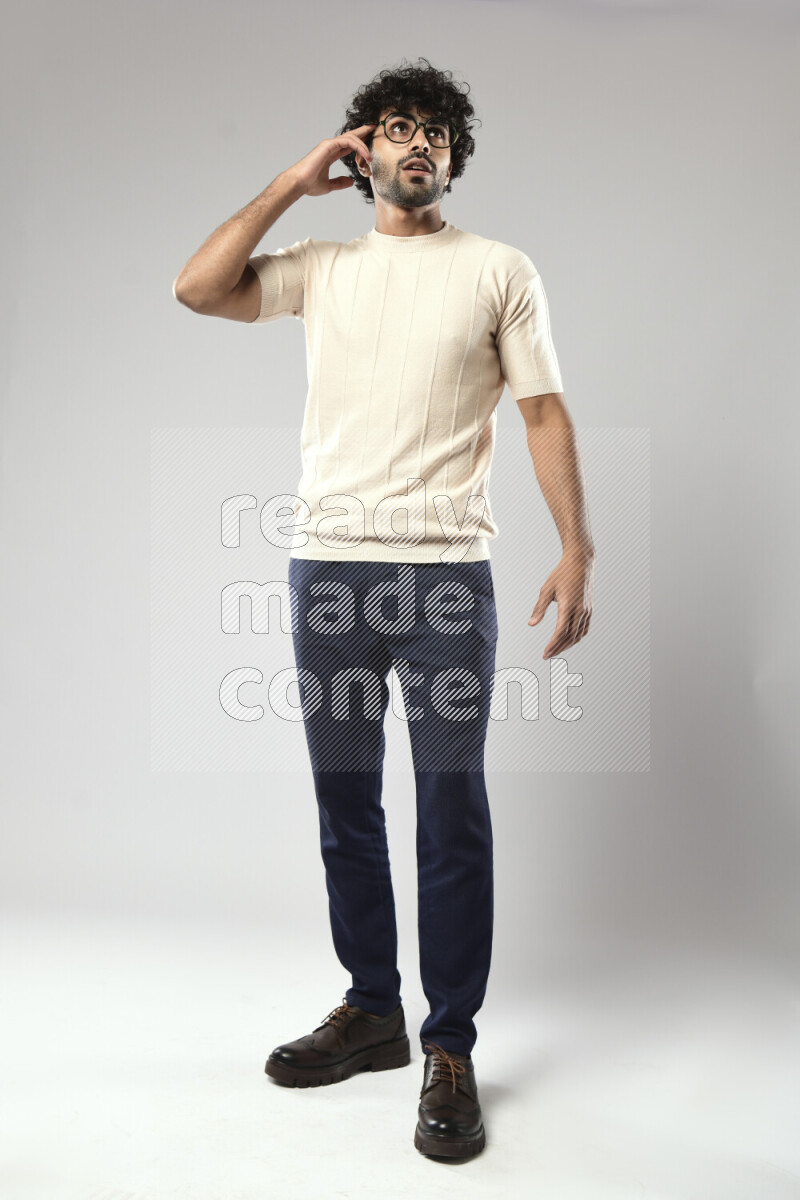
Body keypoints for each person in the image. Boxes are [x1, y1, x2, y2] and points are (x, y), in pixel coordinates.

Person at [173, 56, 595, 1162]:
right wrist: (289, 182)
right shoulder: (322, 267)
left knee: (449, 808)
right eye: (396, 129)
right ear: (362, 154)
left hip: (447, 579)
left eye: (436, 133)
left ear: (453, 158)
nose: (419, 145)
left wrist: (576, 549)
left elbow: (543, 413)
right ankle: (372, 1010)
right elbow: (197, 288)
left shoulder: (498, 270)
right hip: (330, 577)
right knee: (345, 804)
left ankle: (448, 1042)